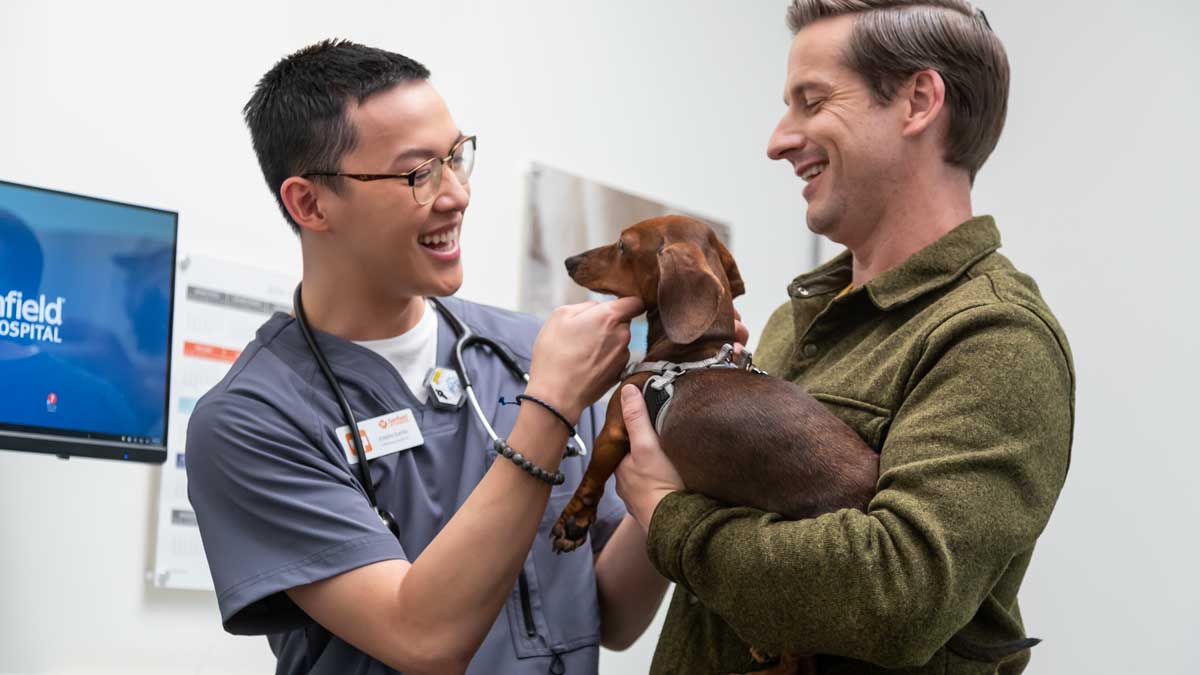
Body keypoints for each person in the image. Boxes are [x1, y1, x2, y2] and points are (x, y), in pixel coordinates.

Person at [614, 2, 1075, 674]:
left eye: (812, 101)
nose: (778, 139)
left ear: (918, 101)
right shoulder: (783, 326)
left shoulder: (995, 336)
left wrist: (670, 520)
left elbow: (896, 594)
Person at [185, 40, 668, 675]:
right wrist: (549, 409)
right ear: (310, 203)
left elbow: (613, 613)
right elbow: (423, 640)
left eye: (457, 158)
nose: (457, 195)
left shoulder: (529, 351)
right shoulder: (251, 420)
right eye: (418, 173)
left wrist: (676, 444)